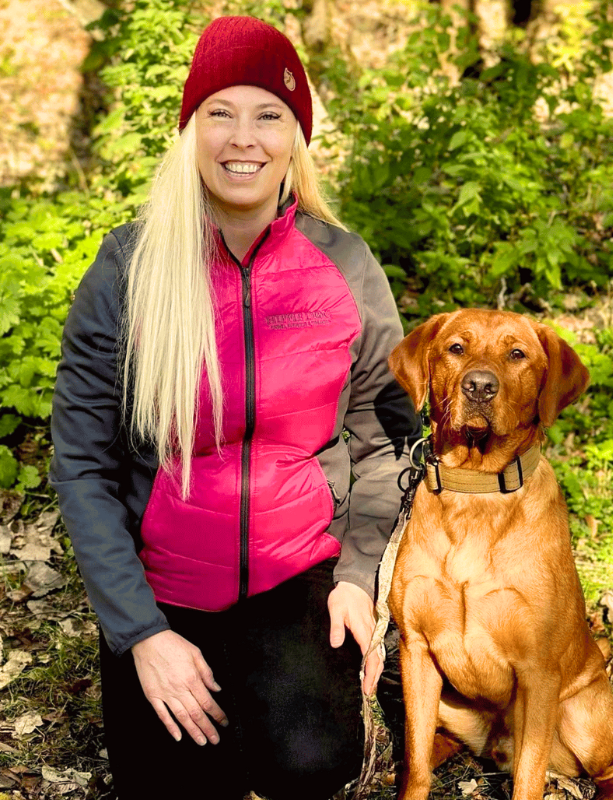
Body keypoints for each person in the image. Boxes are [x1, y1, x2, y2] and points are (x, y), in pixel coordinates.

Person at [49, 15, 419, 800]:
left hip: (299, 571)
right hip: (165, 587)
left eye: (268, 115)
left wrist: (358, 578)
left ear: (296, 138)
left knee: (310, 763)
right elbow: (81, 464)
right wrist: (141, 633)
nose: (243, 138)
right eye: (220, 112)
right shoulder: (127, 268)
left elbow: (388, 437)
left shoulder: (345, 263)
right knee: (175, 784)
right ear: (190, 132)